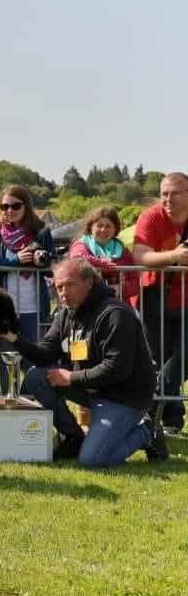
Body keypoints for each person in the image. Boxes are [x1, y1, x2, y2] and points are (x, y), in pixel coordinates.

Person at [17, 258, 167, 466]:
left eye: (70, 284)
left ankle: (146, 432)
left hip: (124, 398)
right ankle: (75, 437)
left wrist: (70, 377)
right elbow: (45, 354)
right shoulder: (66, 314)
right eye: (59, 287)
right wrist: (13, 338)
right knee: (37, 376)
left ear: (89, 282)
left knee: (93, 460)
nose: (63, 293)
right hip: (91, 389)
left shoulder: (115, 314)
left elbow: (116, 369)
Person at [0, 184, 56, 392]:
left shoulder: (41, 232)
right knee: (7, 361)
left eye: (15, 206)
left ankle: (31, 404)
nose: (9, 211)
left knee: (32, 361)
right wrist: (15, 261)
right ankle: (9, 404)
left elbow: (52, 267)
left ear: (26, 206)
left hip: (33, 307)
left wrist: (40, 261)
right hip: (4, 310)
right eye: (4, 206)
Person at [132, 172, 188, 435]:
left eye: (174, 193)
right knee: (161, 359)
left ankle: (148, 407)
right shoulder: (151, 216)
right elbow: (140, 256)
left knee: (183, 357)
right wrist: (176, 256)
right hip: (154, 296)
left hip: (185, 299)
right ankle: (172, 419)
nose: (167, 198)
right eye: (164, 193)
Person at [68, 205, 137, 301]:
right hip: (87, 302)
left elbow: (136, 280)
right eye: (99, 225)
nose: (103, 230)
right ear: (90, 227)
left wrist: (121, 289)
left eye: (108, 226)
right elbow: (79, 258)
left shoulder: (122, 250)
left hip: (118, 303)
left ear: (115, 229)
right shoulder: (80, 244)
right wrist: (107, 263)